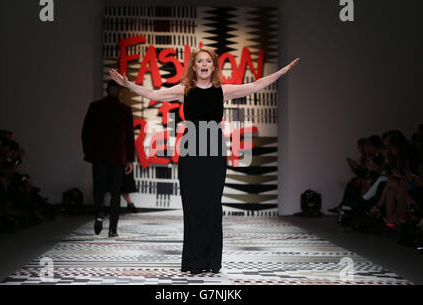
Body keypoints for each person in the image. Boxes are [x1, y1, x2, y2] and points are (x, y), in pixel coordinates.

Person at [109, 47, 299, 274]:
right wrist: (128, 84)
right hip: (191, 152)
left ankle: (211, 261)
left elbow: (255, 85)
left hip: (214, 152)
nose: (204, 64)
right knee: (192, 205)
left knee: (211, 205)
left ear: (213, 66)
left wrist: (282, 72)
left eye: (208, 61)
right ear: (194, 66)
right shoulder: (184, 90)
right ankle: (193, 261)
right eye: (200, 61)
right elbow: (154, 94)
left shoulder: (223, 91)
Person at [81, 80, 135, 237]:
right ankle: (113, 229)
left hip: (99, 155)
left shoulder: (95, 107)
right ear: (120, 91)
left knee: (99, 190)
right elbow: (129, 137)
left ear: (107, 89)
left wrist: (89, 153)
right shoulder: (125, 110)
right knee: (115, 193)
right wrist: (130, 159)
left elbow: (86, 133)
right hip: (118, 157)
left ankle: (99, 214)